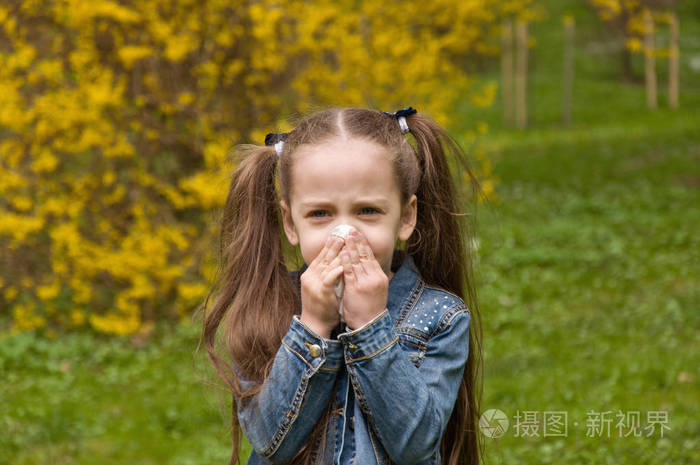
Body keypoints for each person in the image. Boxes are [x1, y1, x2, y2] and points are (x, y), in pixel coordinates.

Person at [200, 107, 484, 465]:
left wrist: (370, 329)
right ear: (290, 222)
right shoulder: (266, 308)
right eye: (320, 214)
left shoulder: (439, 317)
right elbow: (270, 441)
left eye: (367, 211)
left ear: (406, 217)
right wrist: (313, 328)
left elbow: (416, 444)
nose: (345, 233)